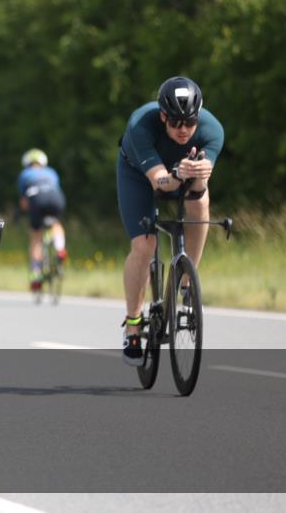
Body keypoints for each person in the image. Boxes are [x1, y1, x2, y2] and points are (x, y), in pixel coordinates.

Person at [117, 77, 224, 365]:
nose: (183, 130)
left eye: (189, 123)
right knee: (144, 245)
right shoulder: (141, 125)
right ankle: (133, 324)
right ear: (163, 116)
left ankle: (188, 282)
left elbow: (200, 186)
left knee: (200, 201)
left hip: (182, 174)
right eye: (175, 122)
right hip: (139, 176)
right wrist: (177, 174)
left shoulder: (213, 130)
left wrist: (199, 173)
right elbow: (159, 182)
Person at [17, 149, 67, 291]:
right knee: (56, 223)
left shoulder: (25, 174)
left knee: (36, 237)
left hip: (37, 199)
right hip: (56, 197)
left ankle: (36, 275)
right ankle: (59, 248)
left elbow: (24, 203)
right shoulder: (51, 171)